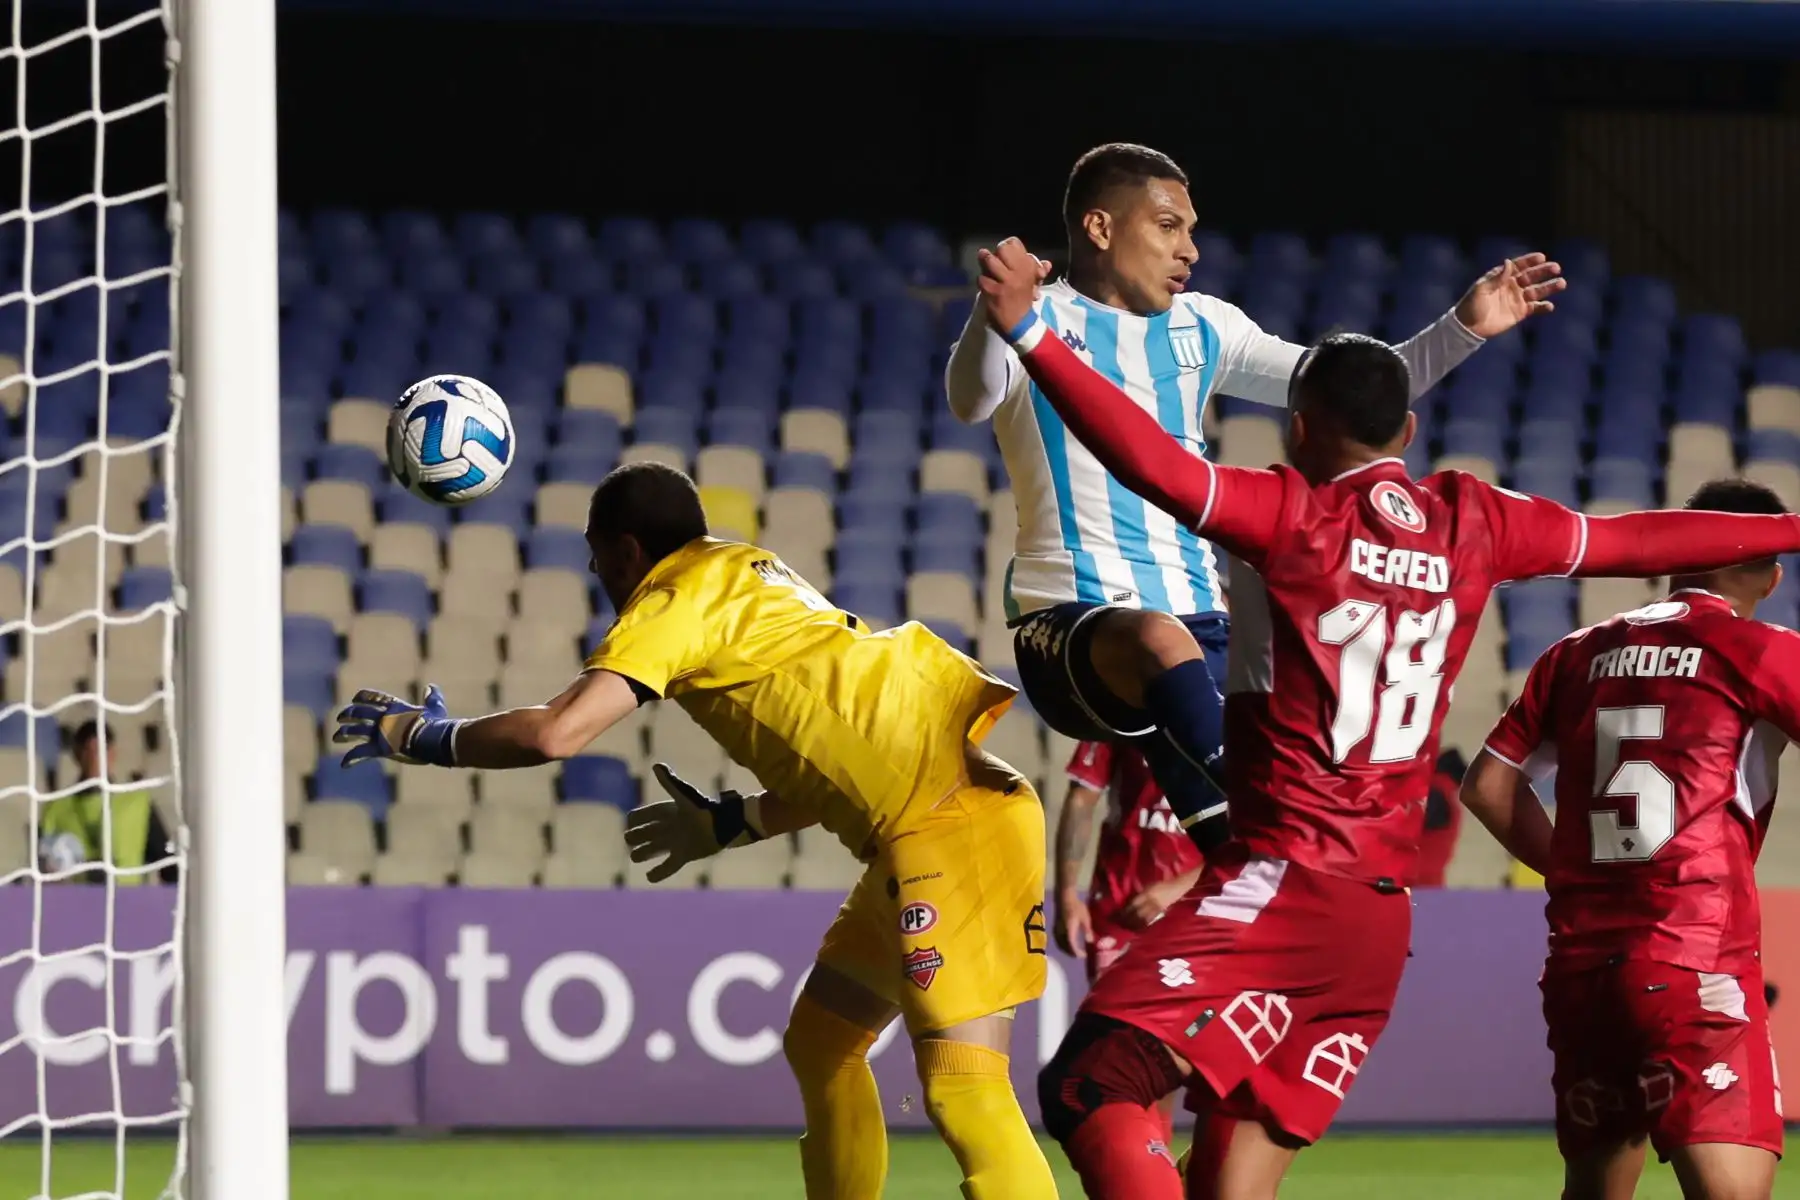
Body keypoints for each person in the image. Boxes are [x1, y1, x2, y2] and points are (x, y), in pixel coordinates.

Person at [970, 235, 1800, 1200]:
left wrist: (1031, 330)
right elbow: (1639, 537)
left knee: (1091, 1083)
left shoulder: (1281, 515)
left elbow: (1145, 458)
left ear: (1295, 430)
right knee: (1227, 1183)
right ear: (1406, 433)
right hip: (1373, 925)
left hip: (1282, 879)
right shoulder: (1476, 520)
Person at [332, 461, 1058, 1200]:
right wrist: (732, 822)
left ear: (624, 552)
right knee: (823, 1042)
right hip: (927, 820)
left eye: (595, 559)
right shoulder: (751, 575)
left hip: (951, 829)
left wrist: (422, 736)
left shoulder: (674, 600)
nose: (596, 576)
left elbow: (557, 734)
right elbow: (844, 756)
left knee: (965, 1090)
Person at [945, 142, 1565, 846]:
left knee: (1248, 857)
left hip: (1200, 632)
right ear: (1100, 227)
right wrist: (995, 312)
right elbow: (971, 400)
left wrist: (1462, 329)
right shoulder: (1040, 318)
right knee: (1165, 648)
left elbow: (1351, 393)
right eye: (1170, 226)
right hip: (1072, 628)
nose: (1192, 250)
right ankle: (1283, 805)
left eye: (1192, 229)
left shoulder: (1207, 325)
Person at [1460, 478, 1799, 1200]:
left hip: (1583, 971)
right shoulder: (1762, 650)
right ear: (1773, 576)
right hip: (1693, 957)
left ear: (1676, 549)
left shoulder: (1576, 652)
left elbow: (1487, 787)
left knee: (1593, 1186)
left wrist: (1576, 874)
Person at [1056, 739, 1205, 1148]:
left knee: (1167, 1054)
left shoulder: (1218, 715)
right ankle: (1148, 1169)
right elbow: (1082, 798)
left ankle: (1159, 1167)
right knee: (1125, 1053)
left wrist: (1180, 887)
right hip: (1116, 914)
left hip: (1193, 915)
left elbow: (1250, 830)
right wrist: (1068, 893)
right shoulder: (1114, 712)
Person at [38, 720, 166, 885]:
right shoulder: (54, 808)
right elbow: (43, 871)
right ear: (76, 755)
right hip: (73, 905)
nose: (94, 758)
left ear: (113, 753)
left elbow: (168, 864)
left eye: (101, 750)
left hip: (129, 905)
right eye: (88, 750)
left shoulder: (137, 804)